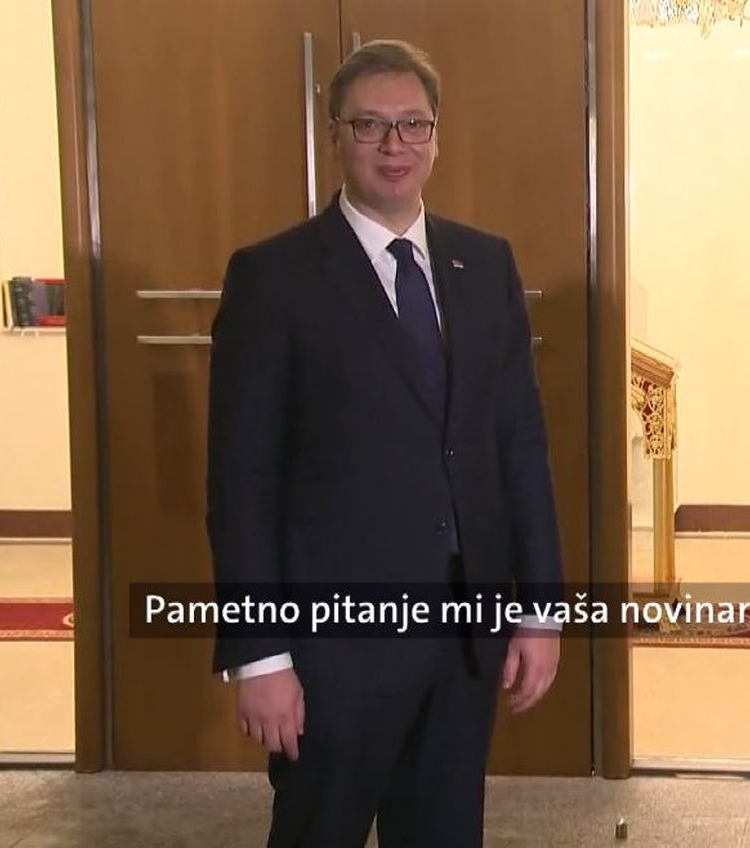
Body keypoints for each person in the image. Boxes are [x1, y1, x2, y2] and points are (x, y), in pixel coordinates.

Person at [207, 39, 564, 847]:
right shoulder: (274, 278)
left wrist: (540, 608)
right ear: (335, 135)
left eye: (413, 124)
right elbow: (241, 482)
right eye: (369, 125)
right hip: (333, 648)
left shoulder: (486, 265)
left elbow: (519, 445)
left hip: (463, 636)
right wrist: (259, 656)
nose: (394, 145)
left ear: (437, 136)